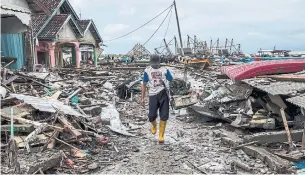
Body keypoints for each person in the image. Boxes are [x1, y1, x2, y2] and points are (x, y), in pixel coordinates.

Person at [141, 54, 174, 143]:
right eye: (153, 64)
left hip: (163, 93)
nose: (154, 65)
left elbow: (171, 79)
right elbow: (144, 84)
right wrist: (143, 98)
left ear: (159, 62)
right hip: (152, 95)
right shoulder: (147, 71)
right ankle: (154, 125)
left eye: (156, 64)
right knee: (151, 116)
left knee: (164, 115)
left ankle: (161, 136)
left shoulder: (164, 70)